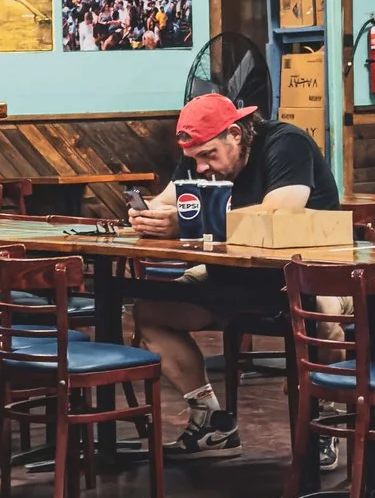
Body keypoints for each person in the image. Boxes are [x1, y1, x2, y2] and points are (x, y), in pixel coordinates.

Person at [130, 90, 339, 458]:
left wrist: (183, 224)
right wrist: (146, 215)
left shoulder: (285, 143)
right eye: (194, 159)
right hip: (234, 277)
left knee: (320, 314)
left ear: (236, 135)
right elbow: (164, 201)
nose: (202, 168)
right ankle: (212, 421)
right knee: (149, 312)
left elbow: (280, 214)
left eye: (209, 155)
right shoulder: (200, 160)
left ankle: (328, 423)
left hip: (311, 271)